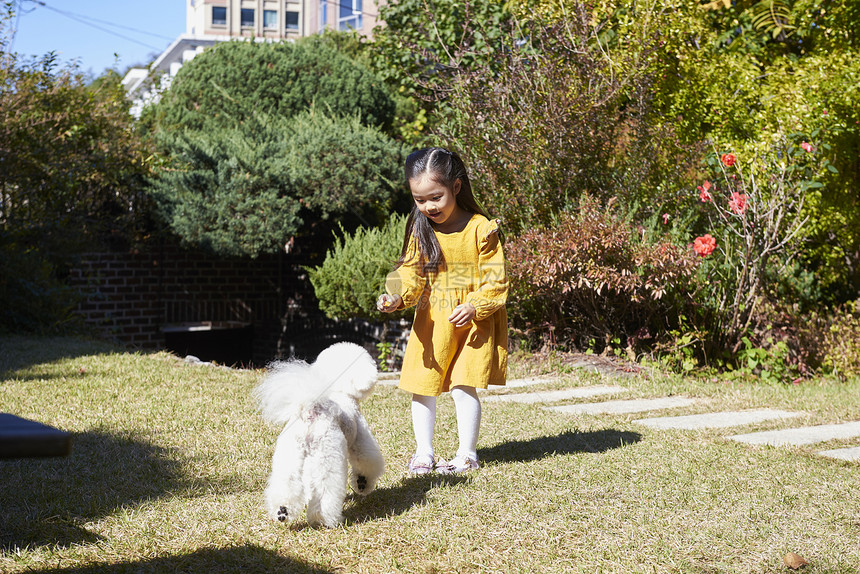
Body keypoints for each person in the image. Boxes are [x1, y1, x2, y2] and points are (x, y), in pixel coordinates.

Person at [376, 147, 508, 474]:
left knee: (464, 385)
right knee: (423, 386)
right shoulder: (422, 229)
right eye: (419, 200)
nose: (428, 207)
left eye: (435, 197)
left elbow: (497, 281)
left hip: (472, 324)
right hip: (433, 321)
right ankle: (424, 452)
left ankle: (467, 454)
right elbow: (410, 272)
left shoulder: (480, 229)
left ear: (457, 187)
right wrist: (395, 296)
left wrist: (475, 305)